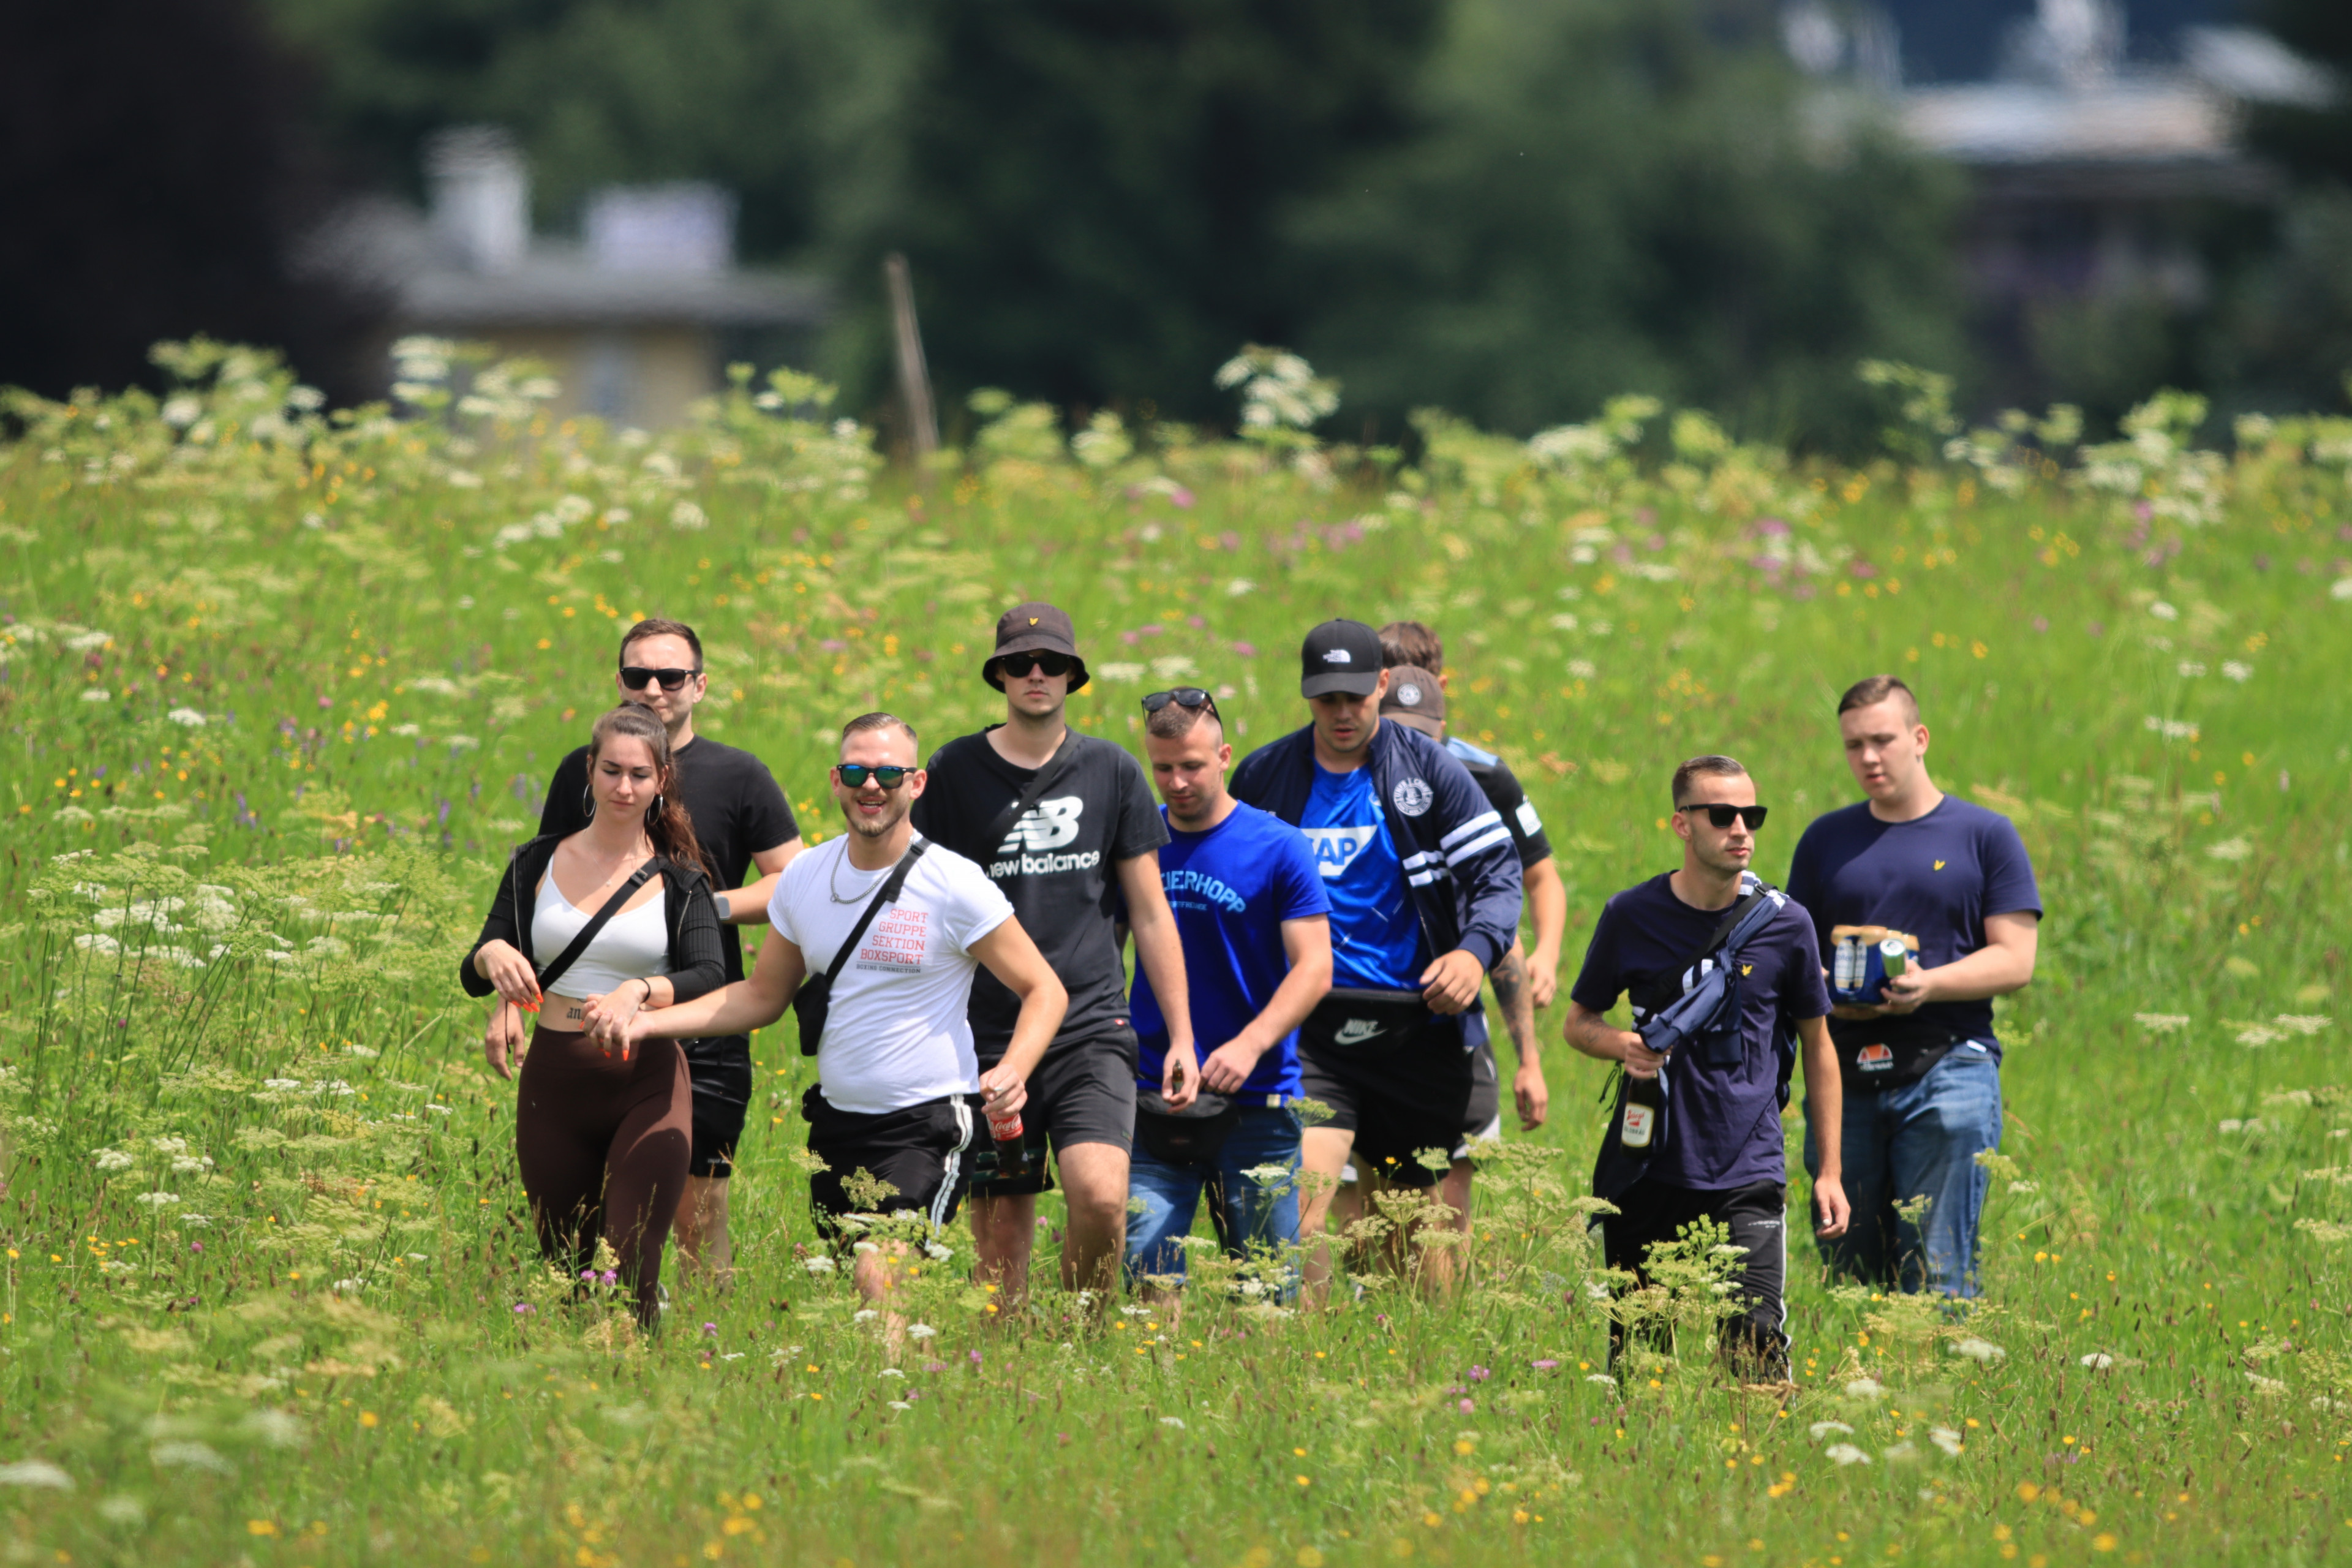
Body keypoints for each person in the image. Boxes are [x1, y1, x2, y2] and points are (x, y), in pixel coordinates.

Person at [589, 712, 1068, 1327]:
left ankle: (899, 1412)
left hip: (928, 1120)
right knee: (875, 1302)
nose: (873, 786)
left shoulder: (954, 883)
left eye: (889, 773)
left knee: (879, 1277)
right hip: (837, 1125)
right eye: (857, 772)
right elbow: (761, 996)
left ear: (916, 783)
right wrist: (649, 1022)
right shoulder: (807, 877)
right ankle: (913, 1409)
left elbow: (1044, 989)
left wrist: (1017, 1067)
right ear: (836, 782)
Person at [909, 602, 1196, 1308]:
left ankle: (1080, 1337)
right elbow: (917, 896)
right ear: (998, 674)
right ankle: (1007, 1369)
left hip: (1091, 1029)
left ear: (1073, 674)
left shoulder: (1113, 771)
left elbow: (1152, 913)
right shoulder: (951, 771)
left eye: (1052, 663)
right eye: (1019, 663)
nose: (1036, 674)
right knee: (1001, 1244)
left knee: (1100, 1199)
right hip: (987, 1036)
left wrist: (1183, 1033)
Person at [1228, 619, 1523, 1298]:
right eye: (1325, 697)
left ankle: (1419, 1366)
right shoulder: (1267, 775)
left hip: (1416, 1028)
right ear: (1306, 694)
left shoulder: (1432, 771)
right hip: (1313, 1029)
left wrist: (1474, 954)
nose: (1340, 712)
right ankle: (1303, 1355)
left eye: (1355, 697)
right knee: (1298, 1211)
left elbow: (1498, 875)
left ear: (1382, 685)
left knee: (1414, 1244)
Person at [526, 617, 802, 1283]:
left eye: (670, 676)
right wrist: (512, 997)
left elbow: (794, 883)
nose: (653, 688)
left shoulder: (740, 776)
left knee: (696, 1210)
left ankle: (698, 1341)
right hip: (587, 1034)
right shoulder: (584, 770)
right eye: (637, 675)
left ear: (699, 685)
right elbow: (545, 895)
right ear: (617, 682)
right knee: (589, 1214)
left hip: (701, 1026)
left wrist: (700, 908)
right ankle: (600, 1340)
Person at [1562, 753, 1849, 1379]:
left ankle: (1765, 1467)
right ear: (1682, 824)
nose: (1741, 828)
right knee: (1641, 1354)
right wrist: (1623, 1045)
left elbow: (1820, 1050)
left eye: (1752, 814)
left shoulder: (1787, 924)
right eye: (1722, 815)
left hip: (1748, 1163)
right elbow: (1578, 1022)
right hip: (1647, 1163)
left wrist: (1828, 1169)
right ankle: (1638, 1465)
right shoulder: (1630, 915)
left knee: (1755, 1340)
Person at [462, 704, 727, 1328]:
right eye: (611, 770)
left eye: (639, 774)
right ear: (589, 770)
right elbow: (479, 962)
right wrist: (492, 953)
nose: (623, 787)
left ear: (662, 779)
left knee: (631, 1257)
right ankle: (572, 1397)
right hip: (556, 1078)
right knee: (565, 1268)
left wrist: (639, 989)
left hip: (647, 1079)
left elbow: (711, 973)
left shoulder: (682, 879)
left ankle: (639, 1388)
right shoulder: (536, 861)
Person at [1785, 676, 2041, 1299]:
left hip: (1949, 1067)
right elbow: (1791, 955)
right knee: (1848, 1278)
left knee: (1939, 1273)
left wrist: (1927, 984)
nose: (1868, 757)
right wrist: (1823, 984)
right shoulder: (1826, 840)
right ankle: (1865, 1387)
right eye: (1853, 745)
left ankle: (1947, 1389)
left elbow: (2015, 960)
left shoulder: (1985, 835)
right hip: (1841, 1075)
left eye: (1882, 740)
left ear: (1919, 737)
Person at [1123, 688, 1334, 1311]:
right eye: (1163, 768)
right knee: (1150, 1275)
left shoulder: (1278, 846)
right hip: (1156, 1091)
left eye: (1192, 765)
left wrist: (1249, 1043)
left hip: (1259, 1101)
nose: (1177, 781)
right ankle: (1152, 1393)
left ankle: (1262, 1400)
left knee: (1266, 1293)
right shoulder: (1138, 844)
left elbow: (1315, 967)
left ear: (1224, 756)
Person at [1374, 647, 1558, 1221]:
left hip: (1452, 1026)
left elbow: (1518, 902)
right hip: (1355, 1016)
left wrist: (1529, 1055)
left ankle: (1430, 1307)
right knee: (1361, 1200)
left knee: (1445, 1212)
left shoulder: (1482, 776)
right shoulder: (1331, 777)